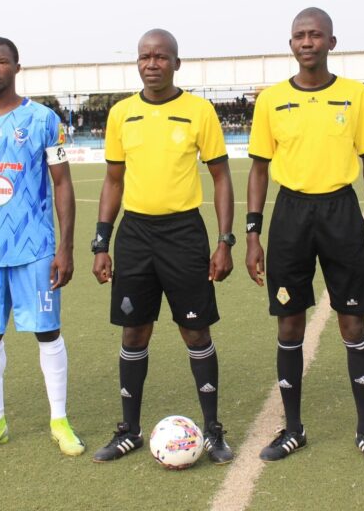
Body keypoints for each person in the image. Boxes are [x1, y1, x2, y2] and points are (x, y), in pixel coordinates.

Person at [246, 7, 364, 466]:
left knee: (354, 322)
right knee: (289, 322)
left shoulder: (355, 95)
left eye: (315, 35)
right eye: (299, 35)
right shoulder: (271, 100)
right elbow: (258, 168)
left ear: (332, 42)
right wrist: (252, 233)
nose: (306, 42)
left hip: (341, 213)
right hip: (290, 214)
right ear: (291, 44)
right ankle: (293, 429)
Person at [91, 29, 235, 465]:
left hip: (183, 233)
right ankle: (129, 430)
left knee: (196, 330)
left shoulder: (199, 111)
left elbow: (222, 178)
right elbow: (113, 181)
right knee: (133, 331)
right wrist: (101, 241)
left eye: (160, 57)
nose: (151, 64)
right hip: (135, 234)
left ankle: (212, 430)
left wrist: (224, 240)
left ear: (176, 63)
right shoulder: (121, 114)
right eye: (144, 57)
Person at [0, 37, 83, 457]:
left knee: (47, 331)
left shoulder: (44, 120)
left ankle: (59, 420)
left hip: (35, 248)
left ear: (16, 67)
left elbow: (62, 183)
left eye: (1, 62)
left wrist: (65, 247)